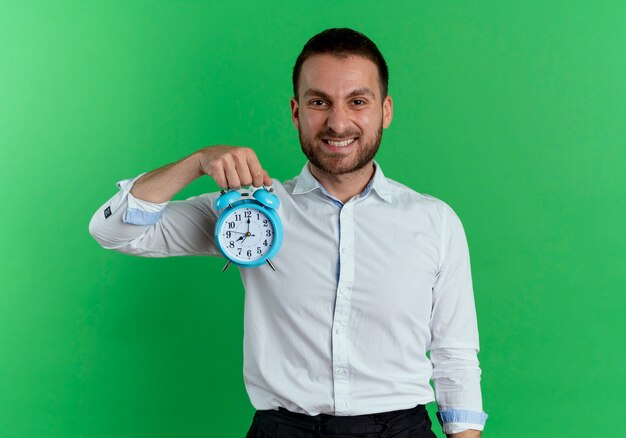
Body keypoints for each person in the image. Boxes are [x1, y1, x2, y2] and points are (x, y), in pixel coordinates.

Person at [89, 28, 488, 438]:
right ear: (296, 112)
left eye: (357, 101)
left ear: (385, 110)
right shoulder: (248, 210)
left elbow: (454, 355)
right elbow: (113, 230)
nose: (337, 122)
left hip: (399, 428)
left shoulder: (434, 221)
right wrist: (196, 162)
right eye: (319, 102)